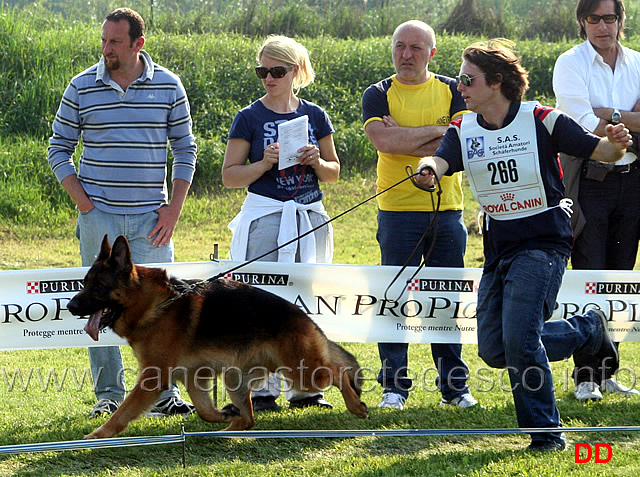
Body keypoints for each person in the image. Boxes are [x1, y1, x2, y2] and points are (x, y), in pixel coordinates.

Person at [414, 39, 627, 451]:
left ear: (496, 83)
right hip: (499, 249)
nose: (460, 86)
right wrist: (428, 169)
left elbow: (599, 149)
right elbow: (441, 159)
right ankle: (587, 330)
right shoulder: (463, 127)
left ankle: (548, 435)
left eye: (467, 79)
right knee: (497, 349)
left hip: (544, 244)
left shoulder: (543, 119)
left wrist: (616, 144)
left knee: (521, 341)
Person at [48, 8, 197, 418]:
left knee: (161, 310)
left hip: (153, 222)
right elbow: (58, 147)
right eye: (103, 40)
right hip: (100, 219)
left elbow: (185, 151)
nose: (106, 49)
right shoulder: (81, 86)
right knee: (99, 304)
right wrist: (83, 201)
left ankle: (164, 395)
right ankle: (107, 395)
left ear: (138, 44)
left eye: (115, 41)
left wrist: (174, 211)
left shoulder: (168, 85)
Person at [361, 20, 478, 410]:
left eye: (415, 48)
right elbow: (383, 140)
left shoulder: (453, 89)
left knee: (446, 300)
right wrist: (438, 134)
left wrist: (410, 136)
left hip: (447, 211)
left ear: (431, 53)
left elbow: (460, 147)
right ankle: (394, 387)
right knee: (393, 299)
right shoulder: (377, 93)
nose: (406, 54)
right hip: (395, 213)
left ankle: (455, 388)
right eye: (399, 46)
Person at [222, 35, 340, 412]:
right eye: (262, 71)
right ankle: (259, 391)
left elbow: (334, 171)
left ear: (295, 72)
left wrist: (315, 162)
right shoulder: (249, 117)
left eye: (276, 71)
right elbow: (229, 176)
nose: (268, 78)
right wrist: (263, 164)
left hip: (308, 215)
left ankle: (306, 388)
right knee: (261, 304)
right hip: (267, 216)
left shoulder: (316, 115)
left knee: (305, 303)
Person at [553, 0, 640, 401]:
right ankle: (585, 375)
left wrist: (611, 115)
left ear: (622, 21)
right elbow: (583, 124)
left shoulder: (637, 62)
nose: (602, 26)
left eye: (610, 18)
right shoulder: (570, 63)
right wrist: (626, 117)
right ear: (582, 22)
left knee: (621, 274)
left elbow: (605, 120)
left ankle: (608, 371)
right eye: (594, 18)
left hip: (634, 179)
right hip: (591, 179)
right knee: (591, 272)